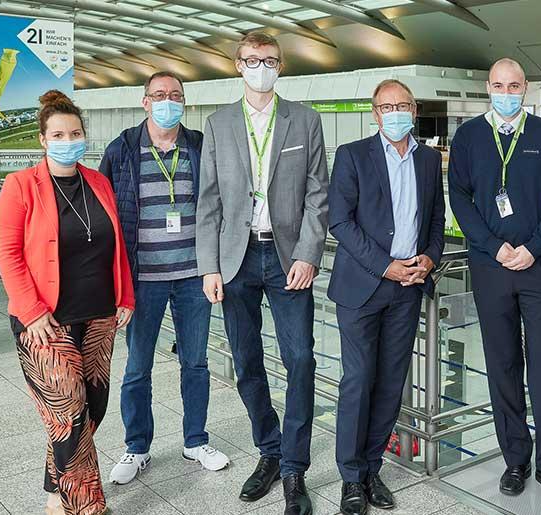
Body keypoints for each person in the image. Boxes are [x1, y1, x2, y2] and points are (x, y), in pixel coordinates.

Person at [195, 31, 329, 513]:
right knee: (247, 360)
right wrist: (209, 266)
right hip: (237, 259)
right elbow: (208, 201)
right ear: (238, 64)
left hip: (289, 256)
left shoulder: (305, 120)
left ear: (281, 66)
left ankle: (294, 468)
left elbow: (318, 194)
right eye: (252, 60)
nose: (260, 67)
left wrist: (309, 254)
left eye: (269, 60)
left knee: (301, 359)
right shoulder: (218, 124)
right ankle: (269, 451)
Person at [0, 90, 135, 515]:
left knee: (91, 410)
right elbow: (8, 253)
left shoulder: (98, 183)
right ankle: (86, 507)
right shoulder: (21, 185)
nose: (68, 140)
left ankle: (56, 494)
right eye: (58, 135)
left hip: (99, 315)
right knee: (69, 415)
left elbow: (116, 245)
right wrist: (31, 310)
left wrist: (125, 296)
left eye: (74, 133)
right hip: (45, 321)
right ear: (43, 139)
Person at [447, 57, 541, 504]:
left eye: (514, 85)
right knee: (502, 364)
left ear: (526, 88)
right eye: (499, 85)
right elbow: (459, 197)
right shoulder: (468, 136)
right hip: (491, 267)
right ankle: (515, 459)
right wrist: (492, 246)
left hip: (540, 267)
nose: (506, 93)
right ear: (488, 87)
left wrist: (534, 247)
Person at [99, 71, 230, 485]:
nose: (167, 101)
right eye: (159, 95)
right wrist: (113, 280)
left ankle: (196, 440)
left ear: (184, 102)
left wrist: (215, 265)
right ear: (145, 102)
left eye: (175, 95)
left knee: (196, 362)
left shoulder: (199, 146)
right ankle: (137, 447)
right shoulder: (122, 149)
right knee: (137, 367)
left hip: (194, 276)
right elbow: (105, 214)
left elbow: (219, 204)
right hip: (143, 279)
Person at [327, 79, 445, 515]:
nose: (395, 113)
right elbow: (340, 221)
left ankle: (372, 468)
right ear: (375, 113)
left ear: (414, 110)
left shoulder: (428, 159)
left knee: (392, 383)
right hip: (362, 287)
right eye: (386, 106)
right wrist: (384, 265)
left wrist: (430, 257)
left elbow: (436, 218)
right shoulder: (353, 155)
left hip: (408, 288)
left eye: (403, 105)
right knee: (358, 381)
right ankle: (351, 477)